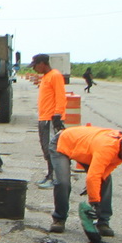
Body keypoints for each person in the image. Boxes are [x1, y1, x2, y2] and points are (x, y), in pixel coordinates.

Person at [48, 124, 122, 241]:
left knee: (105, 180)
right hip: (63, 142)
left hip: (87, 149)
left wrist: (95, 186)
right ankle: (59, 218)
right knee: (63, 182)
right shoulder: (108, 148)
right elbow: (93, 176)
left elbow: (107, 169)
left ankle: (103, 221)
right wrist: (94, 202)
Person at [30, 53, 68, 189]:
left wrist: (57, 114)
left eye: (35, 66)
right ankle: (50, 174)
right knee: (46, 149)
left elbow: (60, 96)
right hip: (43, 117)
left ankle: (56, 178)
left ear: (42, 63)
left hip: (51, 118)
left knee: (53, 149)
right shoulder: (45, 77)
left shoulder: (55, 75)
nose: (34, 69)